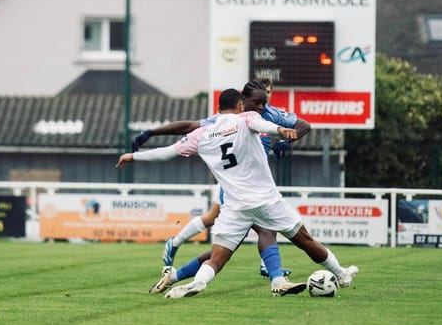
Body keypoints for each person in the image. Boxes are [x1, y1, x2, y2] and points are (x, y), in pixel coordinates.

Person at [116, 88, 357, 298]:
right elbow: (261, 125)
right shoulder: (246, 118)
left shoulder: (202, 135)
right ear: (240, 105)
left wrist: (133, 156)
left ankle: (198, 282)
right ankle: (341, 274)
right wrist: (280, 130)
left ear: (218, 108)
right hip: (266, 200)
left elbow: (168, 152)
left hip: (234, 206)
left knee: (217, 259)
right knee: (305, 240)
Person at [133, 80, 310, 287]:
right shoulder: (229, 119)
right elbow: (190, 126)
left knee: (225, 247)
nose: (262, 106)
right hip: (236, 187)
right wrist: (151, 133)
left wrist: (286, 141)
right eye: (258, 100)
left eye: (266, 98)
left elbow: (304, 125)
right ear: (243, 101)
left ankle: (175, 274)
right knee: (262, 230)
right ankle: (276, 277)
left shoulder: (272, 114)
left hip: (253, 185)